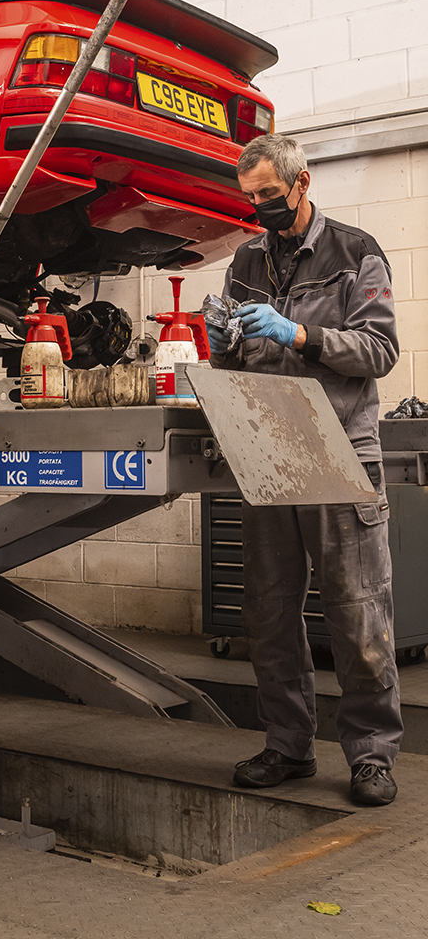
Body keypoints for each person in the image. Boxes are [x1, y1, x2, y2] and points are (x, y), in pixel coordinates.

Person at [207, 133, 401, 807]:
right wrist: (223, 344)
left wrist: (299, 334)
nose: (260, 208)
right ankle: (287, 746)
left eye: (269, 195)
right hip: (271, 454)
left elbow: (379, 350)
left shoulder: (356, 252)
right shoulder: (245, 262)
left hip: (341, 452)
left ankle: (372, 755)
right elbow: (236, 365)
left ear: (302, 183)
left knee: (356, 611)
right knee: (269, 611)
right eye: (250, 199)